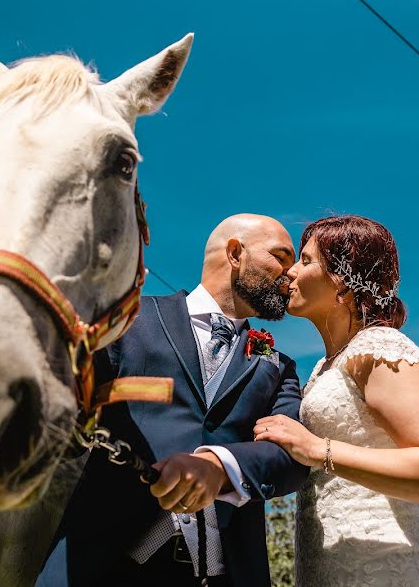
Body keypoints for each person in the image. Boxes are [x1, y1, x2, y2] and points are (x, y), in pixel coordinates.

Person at [58, 214, 308, 587]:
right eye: (281, 257)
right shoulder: (127, 322)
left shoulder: (278, 366)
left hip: (228, 575)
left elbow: (291, 457)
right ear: (235, 253)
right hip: (104, 566)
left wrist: (220, 468)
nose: (291, 274)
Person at [254, 214, 419, 586]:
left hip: (395, 569)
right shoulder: (325, 367)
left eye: (306, 261)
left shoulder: (381, 347)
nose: (290, 272)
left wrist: (317, 449)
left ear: (343, 283)